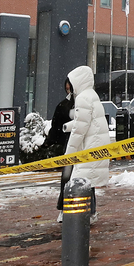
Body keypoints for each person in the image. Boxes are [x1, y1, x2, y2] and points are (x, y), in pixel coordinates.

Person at [62, 66, 110, 219]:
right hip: (96, 145)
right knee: (88, 183)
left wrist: (69, 153)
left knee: (80, 183)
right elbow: (85, 122)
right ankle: (90, 212)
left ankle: (84, 215)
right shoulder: (92, 95)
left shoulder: (83, 98)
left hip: (88, 147)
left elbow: (79, 130)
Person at [46, 78, 76, 221]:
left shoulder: (86, 102)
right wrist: (47, 144)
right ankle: (64, 208)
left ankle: (90, 210)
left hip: (84, 147)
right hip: (69, 146)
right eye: (67, 87)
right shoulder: (63, 105)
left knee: (86, 179)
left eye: (70, 87)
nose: (68, 89)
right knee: (67, 177)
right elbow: (56, 126)